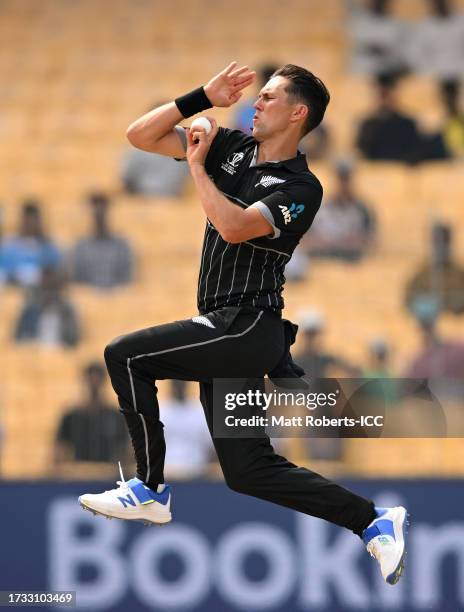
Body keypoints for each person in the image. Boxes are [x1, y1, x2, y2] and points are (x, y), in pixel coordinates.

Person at [79, 62, 407, 585]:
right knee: (248, 471)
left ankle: (149, 488)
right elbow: (139, 135)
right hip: (224, 334)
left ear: (298, 113)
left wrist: (196, 168)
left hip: (248, 327)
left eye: (270, 97)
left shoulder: (303, 186)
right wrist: (199, 98)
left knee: (125, 355)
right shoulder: (229, 147)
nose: (256, 101)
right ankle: (372, 520)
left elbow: (233, 228)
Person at [54, 362, 129, 464]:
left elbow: (125, 452)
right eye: (91, 380)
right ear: (84, 382)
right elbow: (59, 452)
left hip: (108, 476)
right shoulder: (71, 417)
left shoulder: (116, 417)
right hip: (78, 476)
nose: (94, 384)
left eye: (98, 380)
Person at [303, 159, 376, 262]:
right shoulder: (318, 208)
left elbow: (370, 242)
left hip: (353, 265)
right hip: (322, 262)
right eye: (340, 178)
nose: (343, 183)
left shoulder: (363, 210)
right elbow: (306, 241)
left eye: (346, 178)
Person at [121, 102, 190, 196]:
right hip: (141, 202)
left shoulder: (189, 152)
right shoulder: (135, 153)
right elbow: (126, 183)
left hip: (175, 204)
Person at [70, 192, 134, 290]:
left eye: (102, 207)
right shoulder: (80, 247)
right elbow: (78, 280)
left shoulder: (122, 246)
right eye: (95, 206)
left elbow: (127, 281)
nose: (99, 212)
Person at [356, 72, 422, 162]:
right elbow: (363, 154)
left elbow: (415, 153)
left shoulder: (407, 124)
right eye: (381, 94)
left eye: (386, 94)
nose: (384, 99)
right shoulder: (368, 125)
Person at [405, 222, 464, 316]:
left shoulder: (460, 275)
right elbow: (409, 302)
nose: (440, 248)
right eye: (437, 243)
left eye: (444, 242)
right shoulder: (420, 276)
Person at [14, 266, 80, 348]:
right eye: (45, 288)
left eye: (52, 288)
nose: (48, 293)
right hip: (32, 354)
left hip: (61, 354)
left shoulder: (67, 310)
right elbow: (19, 338)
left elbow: (73, 339)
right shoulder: (30, 309)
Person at [161, 379, 215, 479]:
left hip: (198, 474)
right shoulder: (161, 411)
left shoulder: (199, 411)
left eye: (181, 383)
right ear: (171, 385)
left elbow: (211, 446)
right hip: (166, 474)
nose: (179, 386)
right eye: (176, 383)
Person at [0, 201, 62, 287]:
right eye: (27, 219)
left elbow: (54, 273)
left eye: (33, 219)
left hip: (39, 292)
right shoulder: (8, 246)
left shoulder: (48, 248)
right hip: (13, 287)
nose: (30, 224)